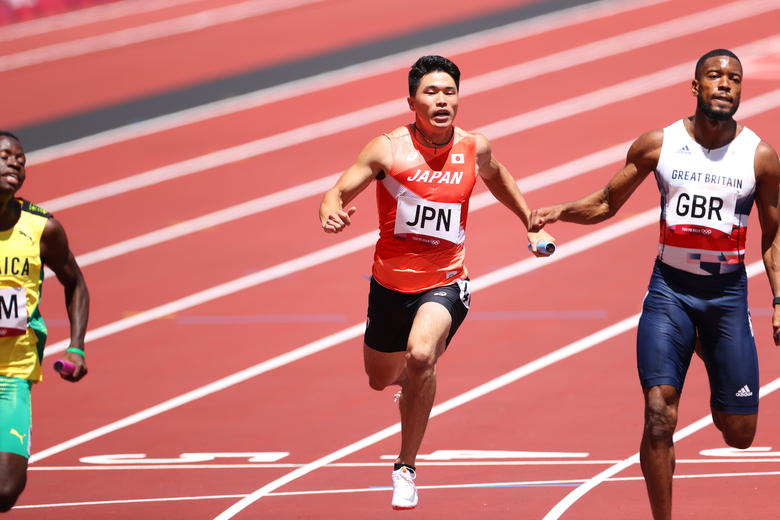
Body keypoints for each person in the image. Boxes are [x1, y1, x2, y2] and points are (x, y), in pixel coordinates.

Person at [529, 49, 780, 519]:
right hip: (670, 294)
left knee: (740, 434)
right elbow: (606, 202)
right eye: (714, 76)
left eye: (734, 79)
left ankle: (710, 352)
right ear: (695, 87)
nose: (725, 85)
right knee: (659, 415)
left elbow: (774, 234)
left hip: (726, 299)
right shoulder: (659, 145)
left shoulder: (760, 157)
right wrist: (560, 210)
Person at [319, 55, 554, 510]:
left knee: (422, 354)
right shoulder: (386, 150)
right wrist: (329, 210)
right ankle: (412, 383)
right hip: (389, 286)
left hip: (446, 281)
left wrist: (530, 220)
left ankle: (405, 466)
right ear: (411, 101)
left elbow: (498, 174)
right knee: (378, 378)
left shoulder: (474, 147)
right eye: (431, 92)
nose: (442, 100)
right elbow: (337, 191)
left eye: (449, 92)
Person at [0, 131, 90, 512]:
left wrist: (76, 347)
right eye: (6, 156)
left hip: (12, 372)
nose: (16, 163)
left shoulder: (42, 228)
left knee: (5, 490)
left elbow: (77, 284)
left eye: (21, 159)